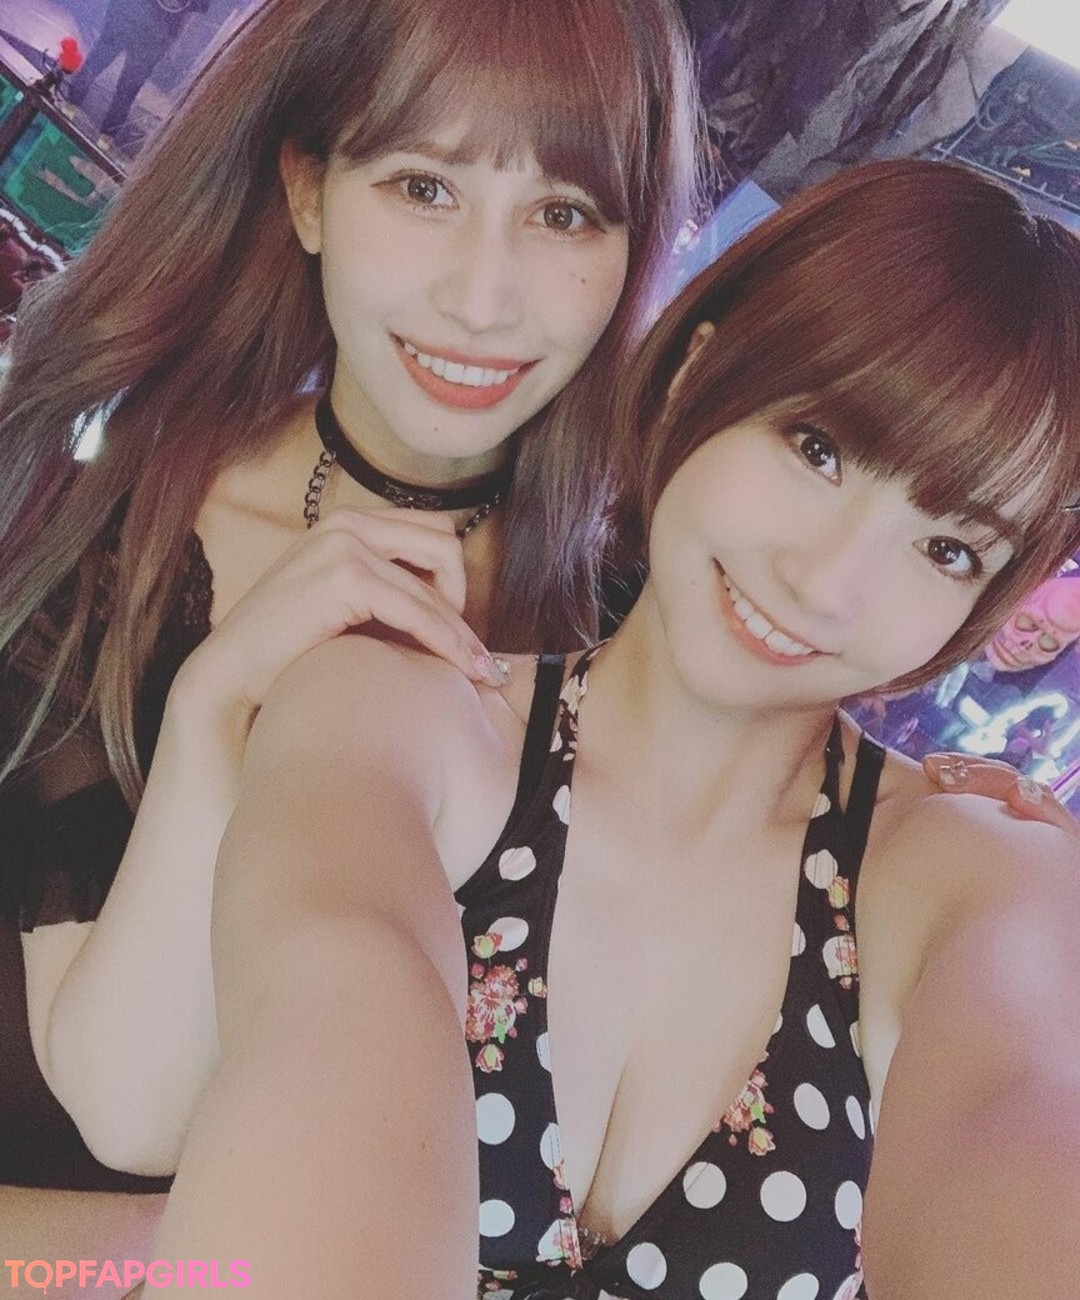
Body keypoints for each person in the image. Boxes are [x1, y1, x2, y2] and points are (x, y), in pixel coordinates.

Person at [144, 159, 1080, 1299]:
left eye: (947, 548)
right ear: (696, 374)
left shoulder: (970, 877)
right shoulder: (399, 718)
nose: (827, 583)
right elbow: (331, 1004)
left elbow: (1012, 1121)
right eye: (817, 449)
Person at [0, 0, 704, 1274]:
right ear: (310, 191)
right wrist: (215, 703)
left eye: (563, 215)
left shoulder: (641, 641)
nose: (482, 299)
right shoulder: (106, 537)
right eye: (424, 188)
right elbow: (122, 1121)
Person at [64, 0, 211, 148]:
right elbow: (196, 9)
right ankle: (88, 124)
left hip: (148, 26)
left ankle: (77, 116)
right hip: (146, 24)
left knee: (117, 79)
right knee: (115, 77)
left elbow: (197, 8)